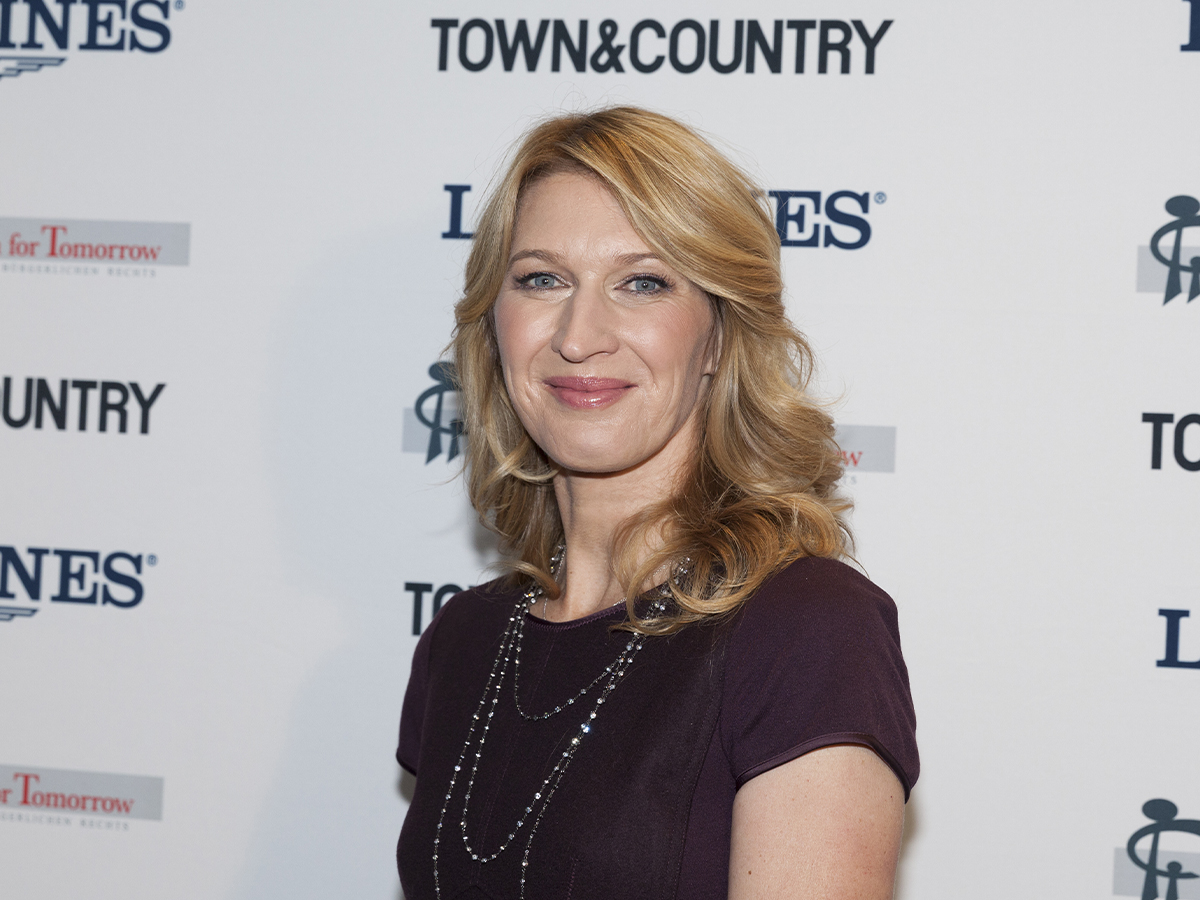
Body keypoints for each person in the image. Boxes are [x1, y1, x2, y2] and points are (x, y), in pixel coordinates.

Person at [396, 106, 918, 900]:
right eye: (541, 279)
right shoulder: (464, 641)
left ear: (718, 336)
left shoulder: (806, 629)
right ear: (493, 323)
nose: (579, 335)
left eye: (642, 283)